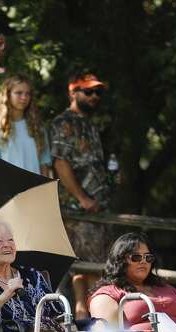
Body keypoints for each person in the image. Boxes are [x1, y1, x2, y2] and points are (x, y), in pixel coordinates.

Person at [51, 72, 112, 317]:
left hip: (95, 209)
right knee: (91, 267)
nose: (94, 96)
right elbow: (60, 162)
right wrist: (81, 198)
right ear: (72, 92)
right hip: (77, 210)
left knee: (89, 266)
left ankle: (87, 318)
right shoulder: (64, 122)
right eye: (88, 91)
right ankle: (93, 319)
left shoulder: (88, 123)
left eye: (98, 92)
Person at [0, 74, 51, 176]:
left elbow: (44, 164)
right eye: (18, 93)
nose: (24, 97)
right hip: (7, 190)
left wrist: (46, 191)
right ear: (8, 95)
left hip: (35, 189)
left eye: (28, 93)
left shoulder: (38, 128)